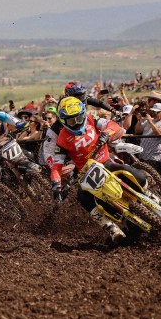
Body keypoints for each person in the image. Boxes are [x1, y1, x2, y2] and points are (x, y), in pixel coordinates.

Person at [49, 97, 147, 242]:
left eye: (78, 118)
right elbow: (57, 166)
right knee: (83, 198)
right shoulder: (62, 139)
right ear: (63, 121)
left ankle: (148, 193)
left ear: (83, 114)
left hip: (105, 161)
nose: (76, 123)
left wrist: (107, 134)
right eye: (71, 121)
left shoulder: (91, 119)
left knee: (132, 173)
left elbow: (114, 125)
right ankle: (110, 227)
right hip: (85, 173)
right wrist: (56, 185)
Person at [138, 103, 161, 180]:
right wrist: (139, 120)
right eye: (153, 112)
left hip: (156, 157)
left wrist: (150, 122)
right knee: (145, 179)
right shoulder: (150, 121)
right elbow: (138, 130)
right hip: (144, 155)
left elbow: (159, 134)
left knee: (155, 180)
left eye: (157, 112)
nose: (154, 114)